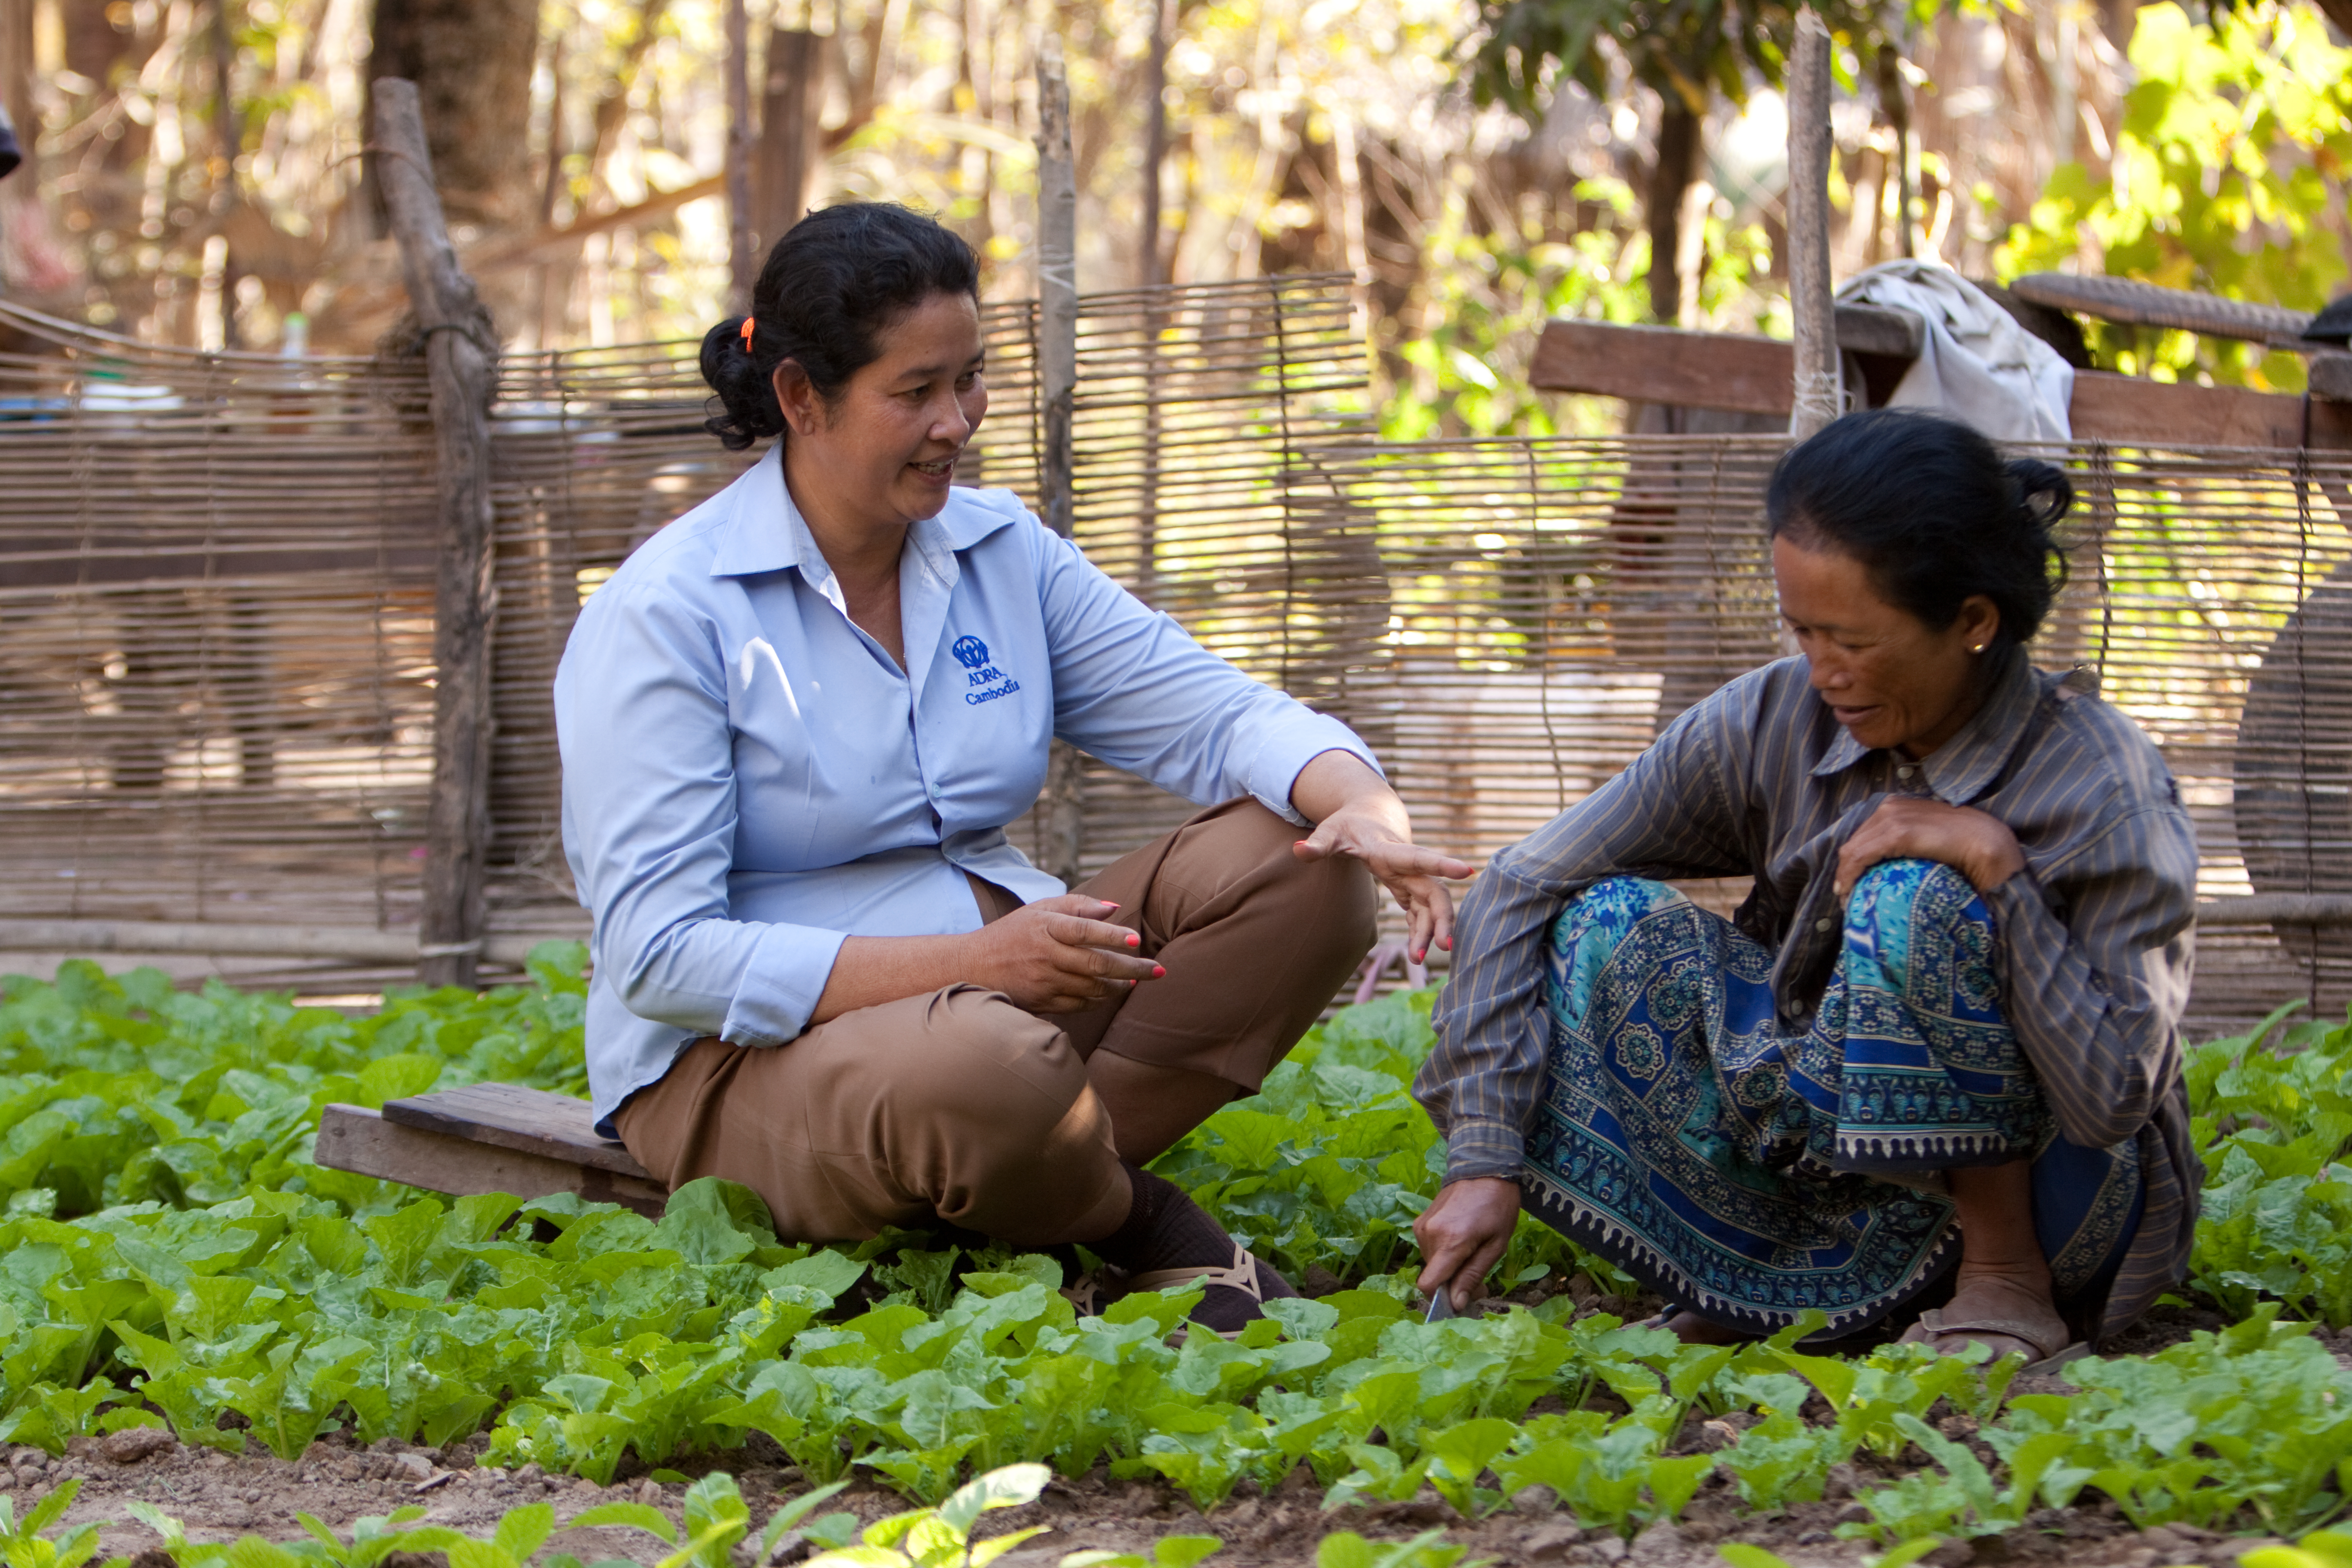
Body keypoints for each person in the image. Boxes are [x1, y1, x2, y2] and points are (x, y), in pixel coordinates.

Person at [555, 202, 1468, 1331]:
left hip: (1005, 1004)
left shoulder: (999, 551)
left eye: (971, 379)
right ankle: (1133, 1223)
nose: (957, 423)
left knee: (1303, 871)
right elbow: (659, 955)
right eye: (916, 392)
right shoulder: (669, 613)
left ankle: (1032, 1178)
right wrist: (975, 963)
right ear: (800, 397)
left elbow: (1219, 714)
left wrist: (1362, 808)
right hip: (735, 1062)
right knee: (989, 1067)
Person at [1410, 409, 2200, 1362]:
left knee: (1916, 895)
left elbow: (2114, 1100)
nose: (1824, 672)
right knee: (1607, 921)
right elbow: (1521, 880)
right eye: (1803, 632)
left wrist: (1997, 869)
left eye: (1854, 642)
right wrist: (1483, 1157)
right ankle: (1766, 1289)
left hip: (2064, 1193)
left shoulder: (2105, 786)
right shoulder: (1770, 717)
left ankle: (2003, 1278)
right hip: (1829, 1160)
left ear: (1973, 623)